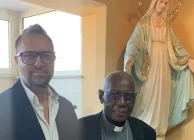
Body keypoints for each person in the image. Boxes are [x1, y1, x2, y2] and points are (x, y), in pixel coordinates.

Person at [0, 24, 79, 140]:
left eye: (46, 55)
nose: (39, 63)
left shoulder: (66, 108)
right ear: (17, 61)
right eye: (29, 56)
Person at [124, 0, 194, 139]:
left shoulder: (166, 26)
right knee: (147, 95)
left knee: (162, 96)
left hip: (164, 66)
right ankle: (146, 129)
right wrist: (130, 56)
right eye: (161, 1)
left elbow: (176, 46)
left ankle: (159, 133)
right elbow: (134, 42)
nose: (163, 6)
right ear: (154, 2)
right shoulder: (143, 24)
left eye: (166, 3)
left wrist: (188, 59)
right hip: (149, 66)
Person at [79, 71, 156, 140]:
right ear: (101, 96)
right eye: (114, 95)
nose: (122, 103)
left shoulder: (147, 133)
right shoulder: (79, 130)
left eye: (128, 96)